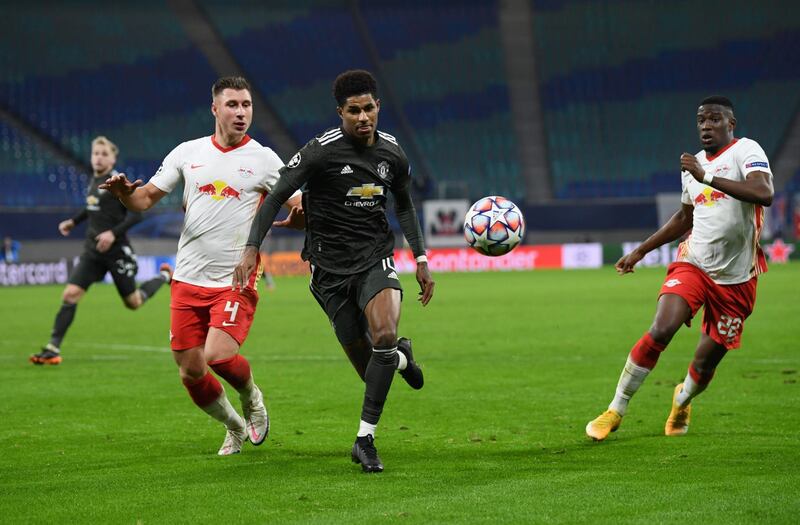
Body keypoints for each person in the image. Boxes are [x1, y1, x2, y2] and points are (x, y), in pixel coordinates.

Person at [233, 69, 435, 473]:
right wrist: (252, 248)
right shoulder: (320, 152)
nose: (363, 118)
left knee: (383, 333)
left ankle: (365, 440)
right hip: (327, 270)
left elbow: (405, 206)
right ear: (340, 112)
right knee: (371, 368)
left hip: (375, 258)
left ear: (378, 107)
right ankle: (400, 359)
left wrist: (422, 259)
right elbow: (274, 197)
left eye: (369, 109)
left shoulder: (393, 154)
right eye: (354, 111)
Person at [100, 77, 302, 456]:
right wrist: (125, 192)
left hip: (235, 278)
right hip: (188, 277)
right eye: (232, 105)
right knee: (191, 372)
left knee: (218, 356)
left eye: (246, 105)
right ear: (215, 109)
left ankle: (252, 398)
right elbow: (144, 199)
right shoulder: (187, 153)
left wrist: (301, 217)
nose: (241, 112)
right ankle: (234, 427)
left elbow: (299, 204)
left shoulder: (264, 158)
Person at [585, 96, 774, 441]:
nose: (706, 125)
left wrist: (708, 177)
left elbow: (764, 192)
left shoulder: (746, 150)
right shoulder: (693, 165)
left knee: (705, 364)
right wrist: (641, 250)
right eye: (701, 120)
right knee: (662, 328)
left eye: (714, 119)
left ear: (731, 124)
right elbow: (685, 217)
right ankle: (615, 409)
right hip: (694, 263)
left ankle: (682, 399)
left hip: (737, 279)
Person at [30, 136, 172, 366]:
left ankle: (165, 275)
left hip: (116, 252)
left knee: (133, 302)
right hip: (93, 251)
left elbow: (137, 214)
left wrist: (112, 233)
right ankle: (52, 348)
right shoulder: (94, 181)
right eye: (96, 153)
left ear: (113, 158)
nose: (99, 157)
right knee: (70, 295)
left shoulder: (117, 184)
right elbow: (92, 207)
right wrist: (73, 222)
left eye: (104, 154)